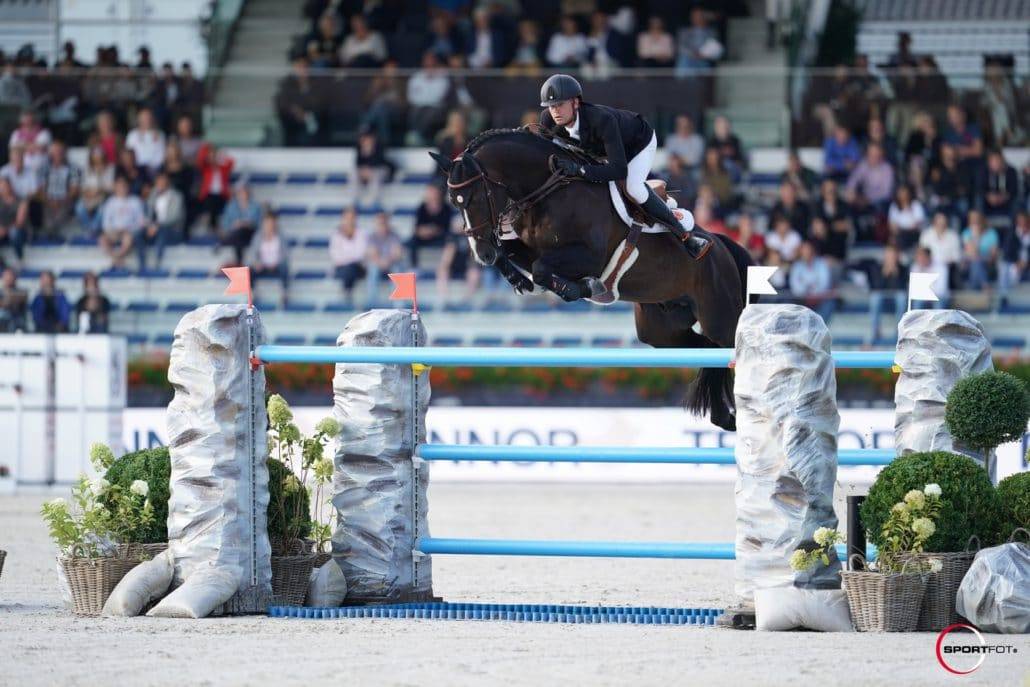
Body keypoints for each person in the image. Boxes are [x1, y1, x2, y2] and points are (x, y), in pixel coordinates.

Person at [537, 74, 709, 257]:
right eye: (551, 106)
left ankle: (685, 236)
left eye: (560, 104)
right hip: (601, 151)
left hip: (638, 144)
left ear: (576, 103)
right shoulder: (548, 121)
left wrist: (580, 170)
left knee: (632, 187)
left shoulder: (601, 120)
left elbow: (619, 169)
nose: (555, 111)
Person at [138, 172, 184, 271]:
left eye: (163, 182)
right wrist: (150, 225)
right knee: (138, 233)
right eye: (158, 182)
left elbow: (174, 217)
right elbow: (149, 214)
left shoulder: (176, 196)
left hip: (172, 230)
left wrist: (157, 225)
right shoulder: (153, 194)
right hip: (154, 228)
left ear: (167, 183)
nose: (160, 184)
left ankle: (157, 263)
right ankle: (142, 265)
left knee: (162, 231)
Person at [99, 176, 145, 269]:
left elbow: (141, 221)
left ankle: (116, 259)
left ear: (128, 187)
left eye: (124, 186)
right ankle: (117, 258)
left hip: (129, 231)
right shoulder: (110, 202)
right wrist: (113, 230)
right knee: (102, 239)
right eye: (119, 186)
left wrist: (128, 229)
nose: (122, 189)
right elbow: (106, 222)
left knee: (127, 238)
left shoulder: (135, 201)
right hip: (114, 231)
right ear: (115, 188)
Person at [868, 243, 909, 341]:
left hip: (896, 297)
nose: (891, 258)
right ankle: (875, 330)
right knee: (875, 298)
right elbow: (875, 287)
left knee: (902, 298)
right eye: (888, 255)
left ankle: (898, 331)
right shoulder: (877, 267)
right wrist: (884, 274)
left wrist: (895, 274)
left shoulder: (903, 268)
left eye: (893, 255)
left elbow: (903, 288)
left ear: (897, 256)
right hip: (882, 296)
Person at [40, 141, 80, 237]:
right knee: (48, 223)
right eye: (55, 151)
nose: (57, 153)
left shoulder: (73, 168)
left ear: (64, 152)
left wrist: (62, 201)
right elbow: (41, 188)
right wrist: (49, 201)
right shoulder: (45, 168)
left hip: (65, 201)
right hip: (49, 201)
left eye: (60, 151)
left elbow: (74, 189)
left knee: (56, 221)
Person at [788, 240, 835, 322]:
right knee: (790, 304)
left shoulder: (821, 264)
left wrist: (808, 287)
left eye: (807, 249)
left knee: (829, 303)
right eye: (803, 249)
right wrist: (808, 288)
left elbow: (824, 284)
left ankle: (819, 328)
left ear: (812, 250)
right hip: (802, 299)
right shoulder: (797, 266)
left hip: (820, 299)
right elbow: (795, 287)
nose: (804, 252)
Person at [329, 207, 368, 305]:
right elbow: (335, 255)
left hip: (357, 267)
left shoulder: (362, 233)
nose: (350, 220)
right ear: (343, 218)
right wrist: (350, 258)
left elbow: (361, 254)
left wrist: (346, 257)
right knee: (348, 269)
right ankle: (347, 293)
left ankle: (347, 292)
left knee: (351, 268)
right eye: (347, 218)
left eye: (352, 217)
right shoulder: (336, 234)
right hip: (343, 267)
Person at [249, 213, 290, 305]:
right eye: (268, 223)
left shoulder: (281, 237)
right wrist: (256, 263)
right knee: (250, 270)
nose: (270, 225)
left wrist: (277, 263)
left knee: (285, 268)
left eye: (272, 223)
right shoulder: (258, 237)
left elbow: (285, 255)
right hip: (262, 266)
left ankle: (284, 293)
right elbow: (252, 254)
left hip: (276, 265)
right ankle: (252, 293)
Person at [366, 211, 404, 306]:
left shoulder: (394, 235)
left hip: (391, 263)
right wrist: (381, 261)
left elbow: (397, 253)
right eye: (380, 223)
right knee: (373, 269)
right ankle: (372, 302)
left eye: (384, 223)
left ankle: (398, 303)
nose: (382, 225)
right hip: (378, 264)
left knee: (397, 270)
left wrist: (387, 260)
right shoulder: (372, 237)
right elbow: (372, 254)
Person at [218, 184, 262, 265]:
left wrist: (246, 224)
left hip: (250, 233)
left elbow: (259, 223)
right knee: (238, 237)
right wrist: (234, 225)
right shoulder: (231, 206)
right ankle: (239, 262)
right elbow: (225, 223)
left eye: (244, 192)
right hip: (237, 235)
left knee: (241, 231)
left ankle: (224, 243)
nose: (242, 195)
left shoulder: (255, 206)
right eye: (240, 193)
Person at [409, 184, 452, 267]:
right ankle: (413, 266)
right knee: (412, 240)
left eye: (434, 192)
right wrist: (425, 231)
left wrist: (434, 230)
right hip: (424, 236)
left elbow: (447, 227)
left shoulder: (446, 208)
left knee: (451, 241)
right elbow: (417, 227)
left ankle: (446, 266)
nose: (431, 195)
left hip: (441, 236)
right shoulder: (422, 207)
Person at [76, 147, 115, 236]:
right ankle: (90, 229)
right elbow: (82, 187)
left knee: (103, 209)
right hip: (89, 196)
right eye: (95, 156)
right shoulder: (86, 169)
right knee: (79, 207)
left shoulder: (110, 169)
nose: (97, 159)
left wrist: (99, 188)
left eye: (99, 156)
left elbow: (111, 187)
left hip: (104, 197)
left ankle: (92, 230)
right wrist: (88, 193)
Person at [196, 143, 233, 233]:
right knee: (211, 202)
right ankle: (213, 226)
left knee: (218, 202)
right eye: (211, 156)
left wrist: (220, 157)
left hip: (221, 195)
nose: (213, 157)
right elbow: (199, 161)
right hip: (208, 195)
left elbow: (231, 162)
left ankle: (214, 225)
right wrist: (207, 148)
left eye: (214, 155)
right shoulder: (206, 168)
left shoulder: (223, 168)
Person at [960, 210, 999, 290]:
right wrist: (976, 236)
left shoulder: (992, 233)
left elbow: (993, 256)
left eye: (977, 219)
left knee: (977, 262)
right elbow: (972, 253)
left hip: (987, 263)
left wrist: (982, 257)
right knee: (975, 261)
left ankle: (974, 287)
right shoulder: (966, 233)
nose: (975, 222)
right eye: (972, 220)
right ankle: (985, 284)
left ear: (982, 220)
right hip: (968, 264)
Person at [977, 149, 1018, 220]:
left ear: (1002, 160)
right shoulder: (983, 171)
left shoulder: (1011, 171)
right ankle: (981, 226)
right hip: (988, 201)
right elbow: (980, 188)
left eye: (998, 160)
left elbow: (1014, 189)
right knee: (978, 200)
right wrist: (988, 196)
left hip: (1006, 200)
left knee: (1016, 203)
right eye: (993, 161)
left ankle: (1013, 228)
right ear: (989, 162)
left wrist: (1004, 197)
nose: (996, 163)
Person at [125, 107, 166, 174]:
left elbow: (162, 155)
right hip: (138, 170)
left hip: (157, 170)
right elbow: (128, 156)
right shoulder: (132, 135)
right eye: (144, 118)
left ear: (153, 118)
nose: (147, 120)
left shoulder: (160, 134)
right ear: (139, 119)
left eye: (149, 117)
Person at [887, 184, 927, 250]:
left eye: (905, 192)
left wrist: (908, 229)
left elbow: (919, 223)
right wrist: (901, 230)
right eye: (901, 192)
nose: (903, 195)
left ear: (909, 193)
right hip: (900, 234)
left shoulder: (916, 205)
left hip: (913, 234)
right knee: (895, 238)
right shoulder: (894, 206)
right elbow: (892, 225)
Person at [1000, 211, 1030, 297]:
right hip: (1015, 262)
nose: (1023, 223)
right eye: (1020, 221)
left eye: (1025, 221)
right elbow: (1007, 252)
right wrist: (1017, 262)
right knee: (1005, 267)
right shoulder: (1012, 234)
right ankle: (1004, 296)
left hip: (1027, 263)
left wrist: (1026, 263)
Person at [0, 177, 28, 264]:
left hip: (19, 231)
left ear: (10, 186)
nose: (3, 188)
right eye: (1, 186)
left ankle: (20, 259)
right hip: (2, 231)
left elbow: (19, 222)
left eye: (4, 186)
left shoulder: (21, 200)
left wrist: (5, 229)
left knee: (14, 232)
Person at [0, 266, 28, 332]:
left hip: (16, 320)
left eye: (10, 276)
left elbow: (22, 298)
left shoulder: (22, 292)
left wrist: (6, 300)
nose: (8, 278)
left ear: (15, 278)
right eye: (6, 276)